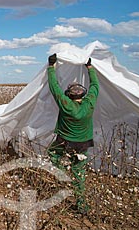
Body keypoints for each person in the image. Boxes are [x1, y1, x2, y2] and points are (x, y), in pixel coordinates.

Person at [46, 53, 99, 214]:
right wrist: (89, 67)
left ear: (69, 95)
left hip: (64, 141)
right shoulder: (89, 102)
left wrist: (51, 67)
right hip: (83, 143)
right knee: (79, 172)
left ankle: (62, 174)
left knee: (52, 153)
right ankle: (82, 205)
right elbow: (95, 86)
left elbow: (54, 87)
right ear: (82, 94)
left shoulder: (66, 104)